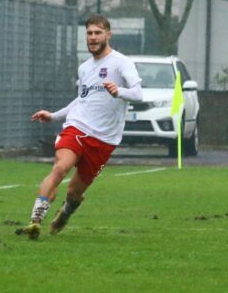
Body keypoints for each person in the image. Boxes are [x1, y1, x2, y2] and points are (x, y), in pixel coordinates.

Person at [17, 14, 143, 240]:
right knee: (60, 167)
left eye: (97, 33)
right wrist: (54, 116)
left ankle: (65, 213)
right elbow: (82, 100)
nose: (93, 38)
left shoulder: (121, 62)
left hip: (104, 139)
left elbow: (138, 93)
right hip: (77, 127)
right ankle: (35, 221)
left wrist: (119, 91)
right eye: (89, 33)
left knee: (74, 193)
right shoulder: (85, 68)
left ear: (108, 35)